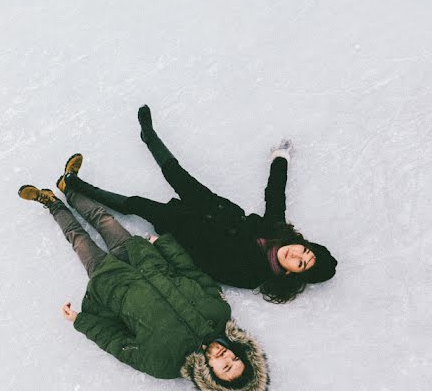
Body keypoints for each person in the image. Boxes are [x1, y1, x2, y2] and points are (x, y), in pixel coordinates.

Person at [18, 159, 269, 391]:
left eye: (225, 366)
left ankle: (51, 203)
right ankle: (69, 187)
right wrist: (163, 245)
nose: (226, 356)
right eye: (235, 357)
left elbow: (117, 343)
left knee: (78, 238)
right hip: (143, 258)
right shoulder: (220, 313)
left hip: (112, 281)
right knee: (102, 217)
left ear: (213, 377)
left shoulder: (165, 363)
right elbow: (192, 273)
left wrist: (80, 320)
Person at [59, 105, 337, 303]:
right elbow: (275, 193)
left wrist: (166, 246)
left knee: (136, 204)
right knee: (175, 172)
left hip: (185, 229)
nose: (296, 255)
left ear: (292, 272)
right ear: (303, 243)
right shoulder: (277, 229)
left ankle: (76, 185)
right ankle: (150, 136)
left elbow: (207, 268)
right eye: (305, 251)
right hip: (211, 206)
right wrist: (280, 157)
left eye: (301, 264)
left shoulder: (254, 276)